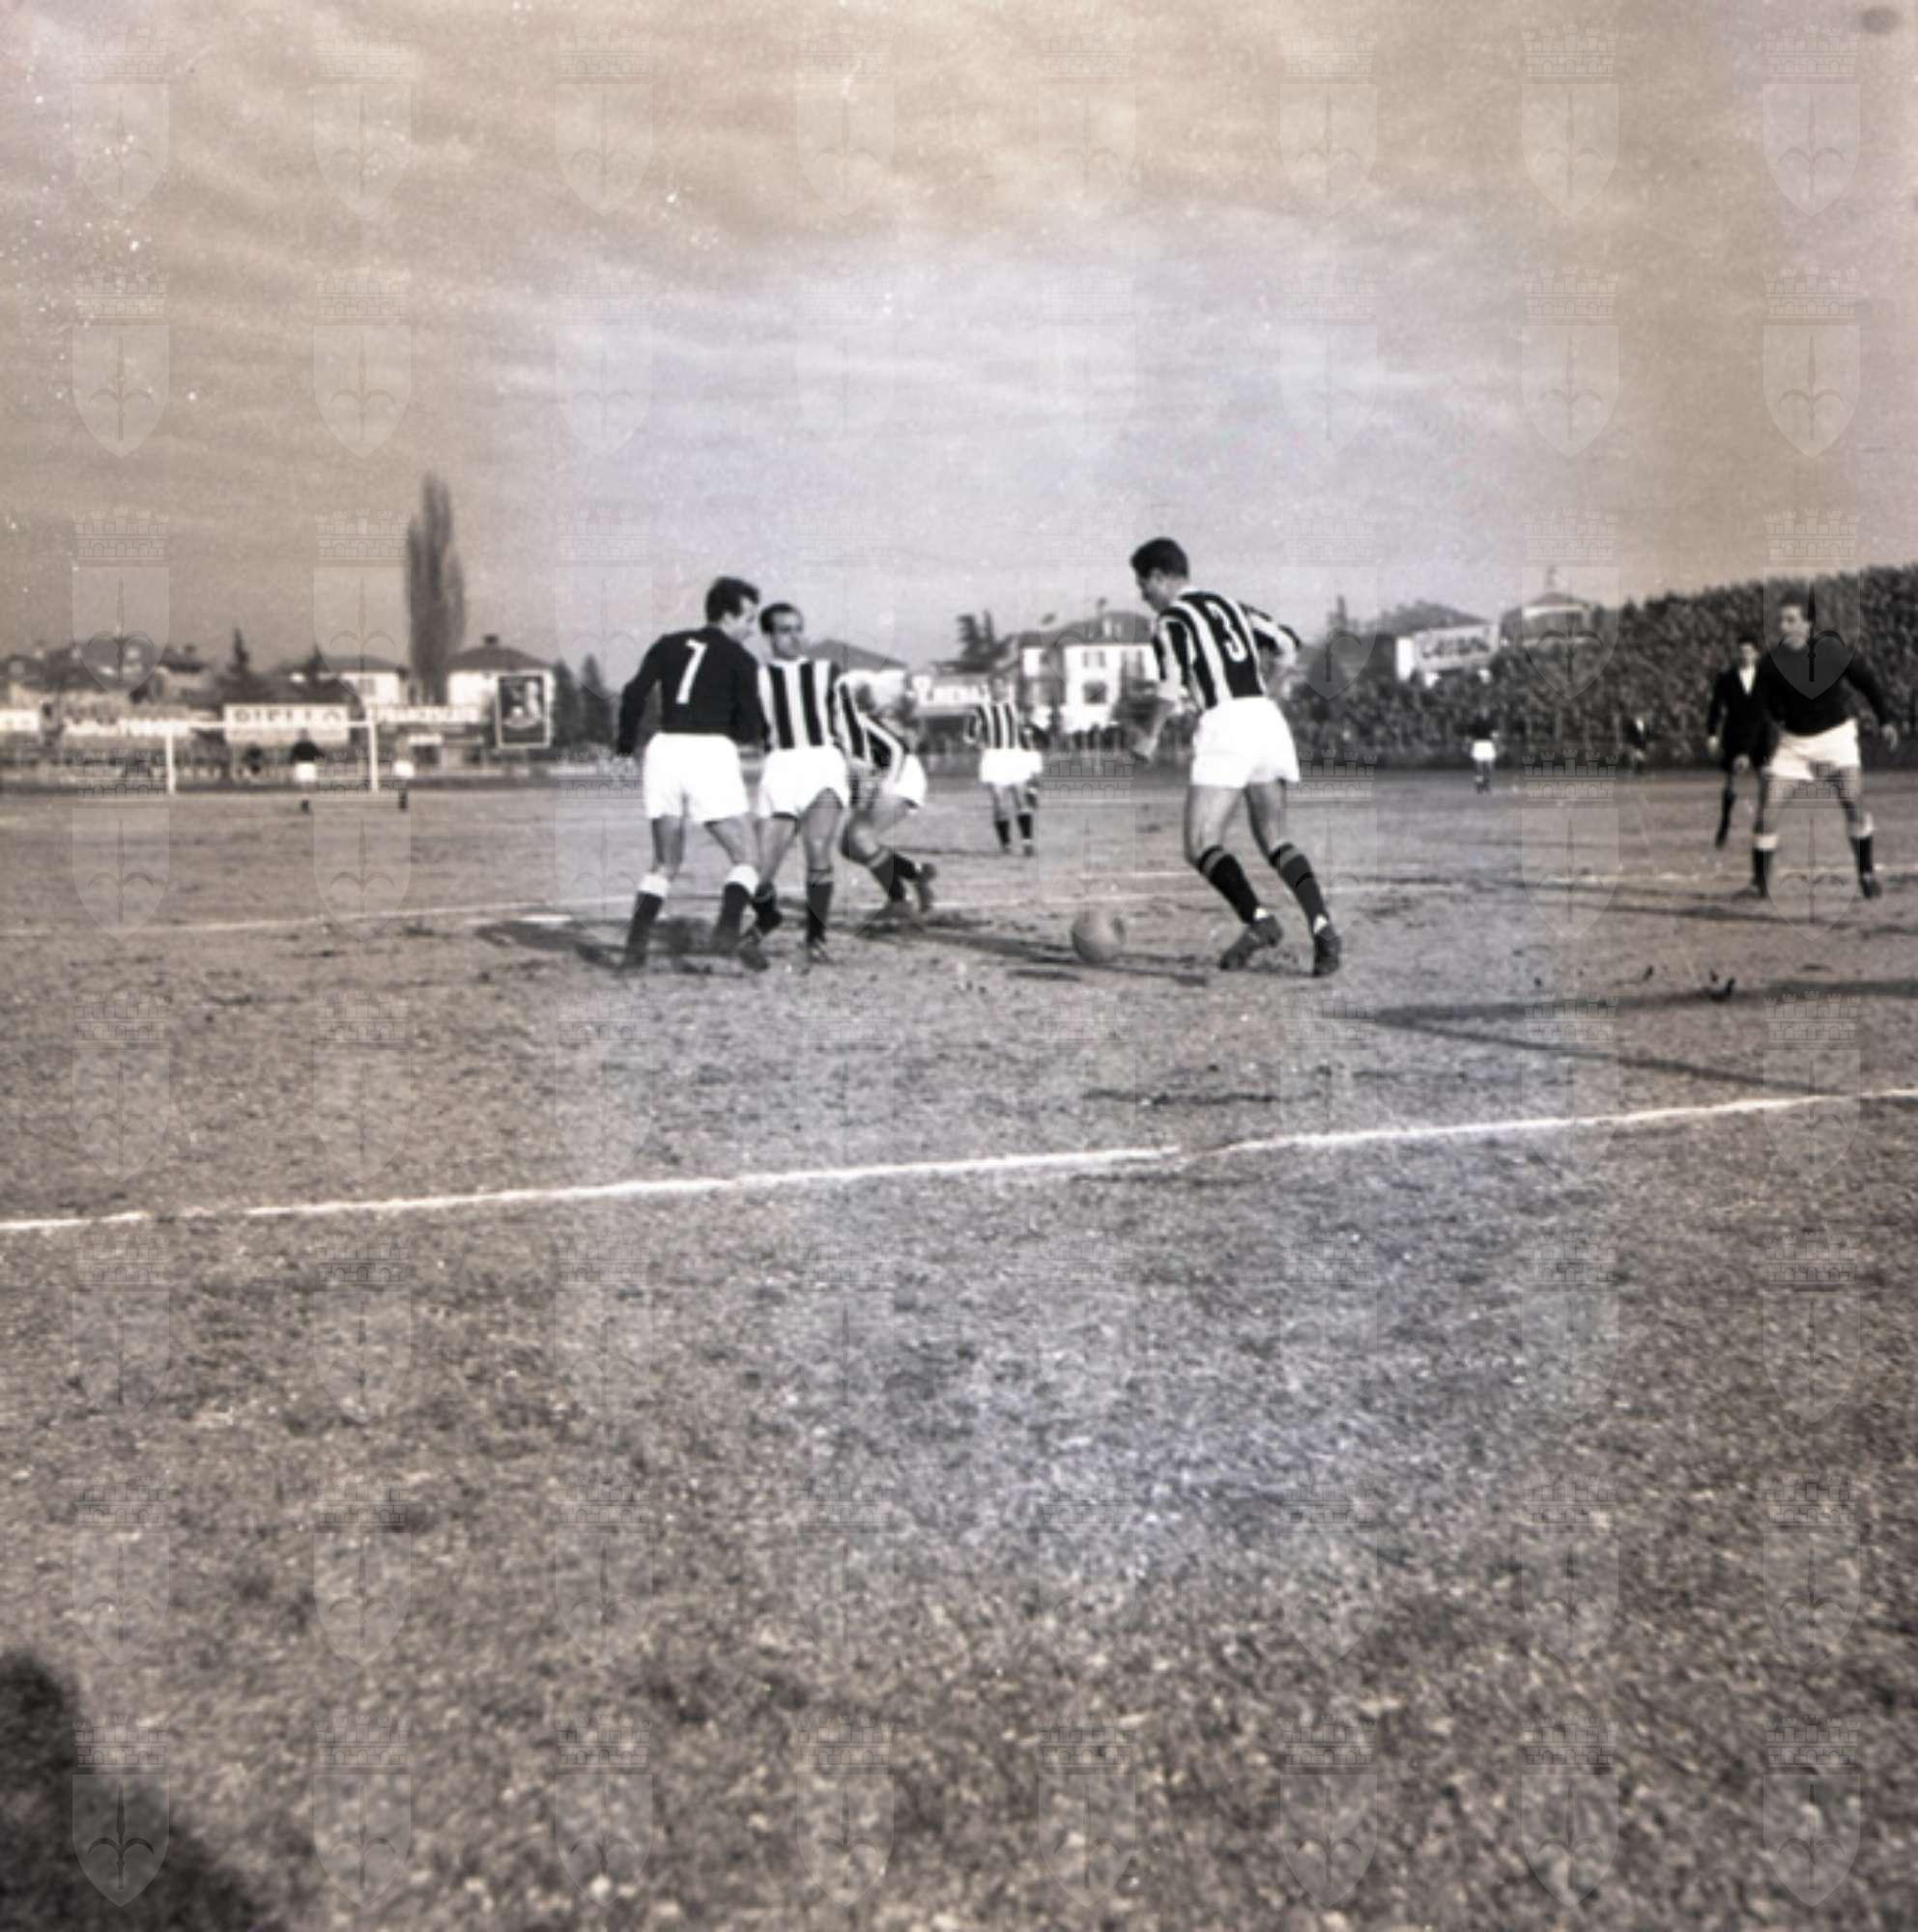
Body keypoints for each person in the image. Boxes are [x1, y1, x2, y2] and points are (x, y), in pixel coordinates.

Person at [1125, 536, 1341, 975]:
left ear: (1160, 577)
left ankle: (1258, 920)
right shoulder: (1231, 606)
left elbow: (1170, 684)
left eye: (1142, 583)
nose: (1141, 594)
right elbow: (1288, 644)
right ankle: (1323, 928)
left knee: (1200, 843)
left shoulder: (1171, 620)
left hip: (1225, 723)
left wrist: (1150, 735)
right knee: (1276, 840)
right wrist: (1269, 691)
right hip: (1265, 720)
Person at [613, 576, 769, 970]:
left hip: (663, 749)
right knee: (748, 858)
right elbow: (749, 727)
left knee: (665, 862)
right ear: (728, 615)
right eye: (748, 619)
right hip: (709, 751)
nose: (751, 629)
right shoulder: (741, 659)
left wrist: (625, 747)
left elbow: (633, 693)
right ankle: (727, 928)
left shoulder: (668, 644)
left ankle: (635, 948)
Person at [1747, 592, 1900, 901]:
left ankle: (1866, 874)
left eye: (1791, 620)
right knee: (1767, 812)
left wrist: (1885, 720)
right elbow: (1757, 711)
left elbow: (1866, 681)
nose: (1783, 626)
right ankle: (1759, 885)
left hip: (1836, 740)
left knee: (1853, 803)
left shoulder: (1830, 651)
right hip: (1794, 744)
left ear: (1808, 623)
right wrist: (1751, 752)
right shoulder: (1770, 664)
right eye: (1780, 620)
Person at [740, 604, 848, 969]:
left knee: (817, 848)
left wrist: (857, 759)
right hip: (781, 767)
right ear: (769, 637)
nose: (795, 636)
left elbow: (847, 721)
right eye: (785, 630)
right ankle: (767, 918)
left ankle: (816, 939)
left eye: (799, 628)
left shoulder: (827, 671)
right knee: (759, 869)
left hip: (824, 764)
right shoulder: (755, 678)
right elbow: (747, 726)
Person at [835, 682, 937, 929]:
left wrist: (888, 785)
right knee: (849, 845)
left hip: (900, 776)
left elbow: (896, 749)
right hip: (875, 782)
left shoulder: (852, 719)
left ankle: (899, 900)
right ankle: (915, 872)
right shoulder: (825, 731)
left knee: (859, 838)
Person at [1704, 634, 1769, 849]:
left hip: (1760, 735)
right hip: (1735, 734)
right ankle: (1725, 822)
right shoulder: (1727, 678)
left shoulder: (1766, 678)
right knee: (1731, 780)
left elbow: (1778, 705)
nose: (1744, 655)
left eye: (1748, 651)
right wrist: (1712, 735)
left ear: (1756, 654)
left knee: (1765, 780)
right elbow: (1715, 707)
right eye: (1741, 651)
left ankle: (1762, 822)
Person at [966, 673, 1036, 856]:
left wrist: (1032, 761)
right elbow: (969, 736)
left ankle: (1027, 842)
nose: (997, 690)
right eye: (994, 686)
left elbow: (1025, 734)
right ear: (989, 689)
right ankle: (1006, 844)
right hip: (994, 757)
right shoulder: (980, 710)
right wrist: (980, 747)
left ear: (1006, 687)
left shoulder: (1016, 708)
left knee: (1020, 798)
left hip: (1014, 754)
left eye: (1001, 686)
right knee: (999, 801)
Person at [1467, 709, 1499, 793]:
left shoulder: (1492, 723)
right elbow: (1469, 736)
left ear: (1488, 713)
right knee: (1478, 767)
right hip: (1478, 744)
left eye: (1485, 711)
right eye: (1482, 711)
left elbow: (1495, 735)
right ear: (1480, 713)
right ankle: (1479, 785)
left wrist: (1496, 745)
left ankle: (1486, 783)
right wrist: (1469, 745)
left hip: (1488, 744)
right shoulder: (1475, 723)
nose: (1484, 713)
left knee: (1489, 766)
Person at [290, 733, 323, 812]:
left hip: (302, 766)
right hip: (309, 765)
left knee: (304, 785)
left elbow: (292, 757)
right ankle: (305, 800)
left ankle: (305, 800)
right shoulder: (311, 745)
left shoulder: (298, 745)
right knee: (308, 785)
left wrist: (291, 763)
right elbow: (320, 754)